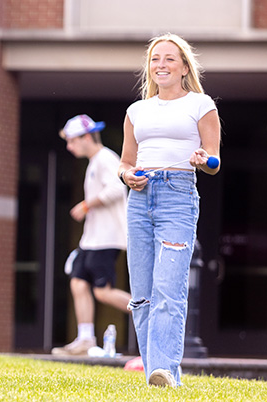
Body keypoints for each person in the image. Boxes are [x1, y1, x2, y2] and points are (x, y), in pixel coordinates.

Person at [118, 33, 220, 387]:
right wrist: (128, 176)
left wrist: (203, 159)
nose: (161, 64)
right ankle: (156, 374)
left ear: (183, 67)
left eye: (169, 59)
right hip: (140, 200)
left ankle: (165, 371)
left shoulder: (201, 104)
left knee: (167, 288)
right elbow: (125, 163)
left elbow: (213, 159)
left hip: (177, 195)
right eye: (155, 59)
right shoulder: (136, 111)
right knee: (142, 295)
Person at [52, 114, 131, 357]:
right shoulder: (95, 161)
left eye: (73, 141)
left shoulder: (105, 158)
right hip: (92, 240)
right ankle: (85, 338)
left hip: (106, 239)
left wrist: (87, 205)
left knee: (102, 291)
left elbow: (118, 188)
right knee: (77, 282)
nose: (69, 146)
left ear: (87, 137)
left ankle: (149, 310)